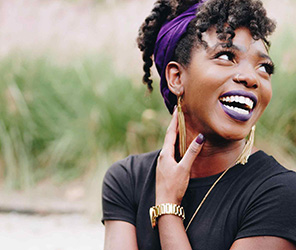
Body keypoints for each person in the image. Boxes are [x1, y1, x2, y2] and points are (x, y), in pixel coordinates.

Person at [101, 0, 296, 249]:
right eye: (226, 56)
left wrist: (168, 208)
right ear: (176, 77)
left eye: (264, 67)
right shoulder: (128, 180)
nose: (250, 77)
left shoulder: (281, 194)